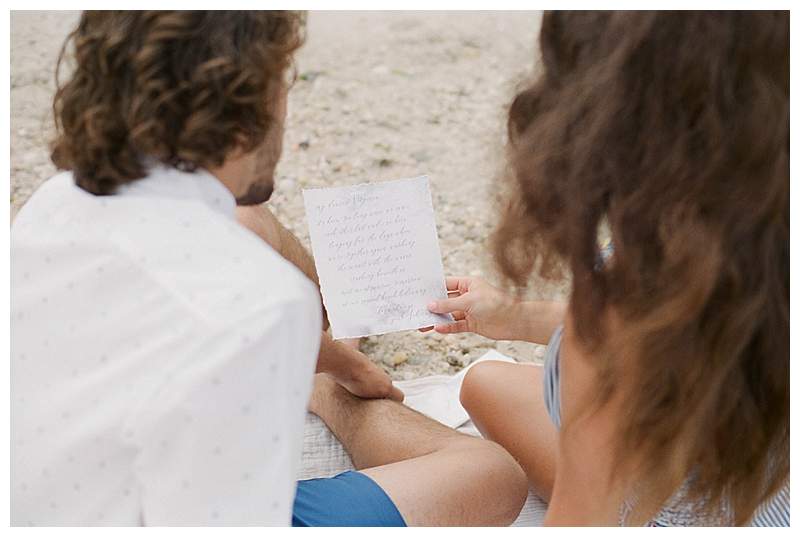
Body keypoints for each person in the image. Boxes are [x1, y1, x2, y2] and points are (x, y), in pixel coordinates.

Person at [10, 10, 527, 526]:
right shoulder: (260, 303)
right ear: (244, 109)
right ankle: (323, 396)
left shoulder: (52, 203)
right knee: (491, 472)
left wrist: (341, 361)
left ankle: (322, 381)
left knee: (247, 217)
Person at [423, 11, 789, 526]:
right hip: (762, 501)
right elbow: (678, 335)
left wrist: (580, 339)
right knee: (485, 381)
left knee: (484, 394)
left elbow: (581, 518)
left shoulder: (621, 307)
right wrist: (509, 316)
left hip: (660, 511)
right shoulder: (764, 226)